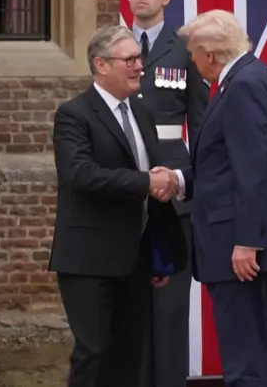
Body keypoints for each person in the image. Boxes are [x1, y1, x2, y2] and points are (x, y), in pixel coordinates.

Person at [152, 9, 267, 387]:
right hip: (244, 238)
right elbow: (226, 165)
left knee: (244, 361)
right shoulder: (250, 78)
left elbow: (252, 170)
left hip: (240, 245)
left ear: (210, 54)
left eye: (193, 55)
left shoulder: (244, 86)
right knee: (252, 355)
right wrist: (179, 180)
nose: (192, 62)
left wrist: (247, 241)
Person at [48, 24, 189, 387]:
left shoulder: (142, 111)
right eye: (129, 60)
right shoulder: (75, 114)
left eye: (139, 58)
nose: (139, 66)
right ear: (101, 64)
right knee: (93, 352)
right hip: (89, 259)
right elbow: (81, 175)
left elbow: (150, 174)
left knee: (128, 355)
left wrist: (157, 249)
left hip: (135, 259)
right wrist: (146, 183)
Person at [117, 0, 210, 387]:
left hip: (173, 194)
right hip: (128, 189)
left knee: (171, 312)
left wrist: (188, 181)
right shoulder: (111, 47)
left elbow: (203, 126)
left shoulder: (186, 51)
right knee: (130, 311)